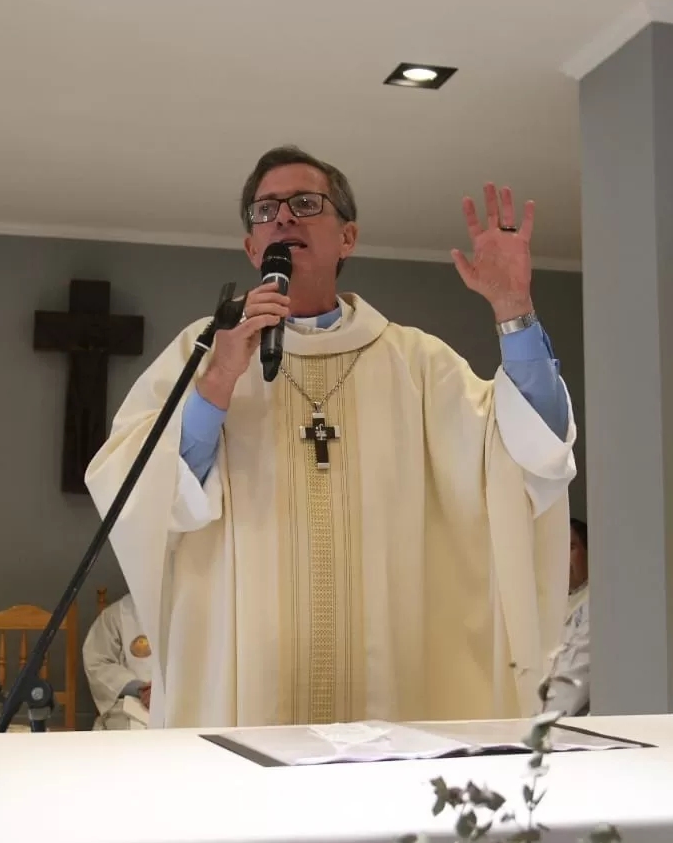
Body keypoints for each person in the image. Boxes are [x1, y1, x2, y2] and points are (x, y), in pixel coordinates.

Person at [86, 145, 577, 727]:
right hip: (242, 685)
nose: (284, 217)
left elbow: (527, 452)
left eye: (305, 203)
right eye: (265, 210)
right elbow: (138, 492)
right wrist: (217, 382)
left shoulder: (415, 362)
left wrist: (513, 309)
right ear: (251, 247)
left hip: (393, 680)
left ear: (348, 237)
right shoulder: (206, 349)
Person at [83, 592, 153, 729]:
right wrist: (140, 689)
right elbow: (98, 664)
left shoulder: (197, 613)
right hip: (135, 701)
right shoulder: (116, 615)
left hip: (187, 702)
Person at [545, 517, 590, 716]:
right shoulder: (549, 603)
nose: (562, 557)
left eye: (571, 547)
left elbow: (573, 679)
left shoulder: (595, 604)